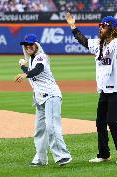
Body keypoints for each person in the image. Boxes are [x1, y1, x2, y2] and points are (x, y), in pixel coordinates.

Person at [66, 12, 117, 164]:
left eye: (103, 26)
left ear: (111, 28)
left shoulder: (116, 43)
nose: (100, 28)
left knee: (112, 120)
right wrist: (72, 25)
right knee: (100, 122)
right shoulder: (98, 44)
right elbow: (83, 40)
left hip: (116, 89)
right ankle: (104, 154)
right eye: (99, 25)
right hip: (104, 89)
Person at [15, 34, 72, 167]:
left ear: (36, 45)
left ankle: (63, 156)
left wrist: (24, 73)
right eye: (26, 45)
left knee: (52, 127)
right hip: (40, 99)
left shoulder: (41, 56)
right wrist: (24, 67)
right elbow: (31, 72)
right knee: (39, 130)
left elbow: (37, 70)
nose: (28, 46)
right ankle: (40, 159)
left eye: (30, 44)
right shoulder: (31, 60)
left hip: (51, 96)